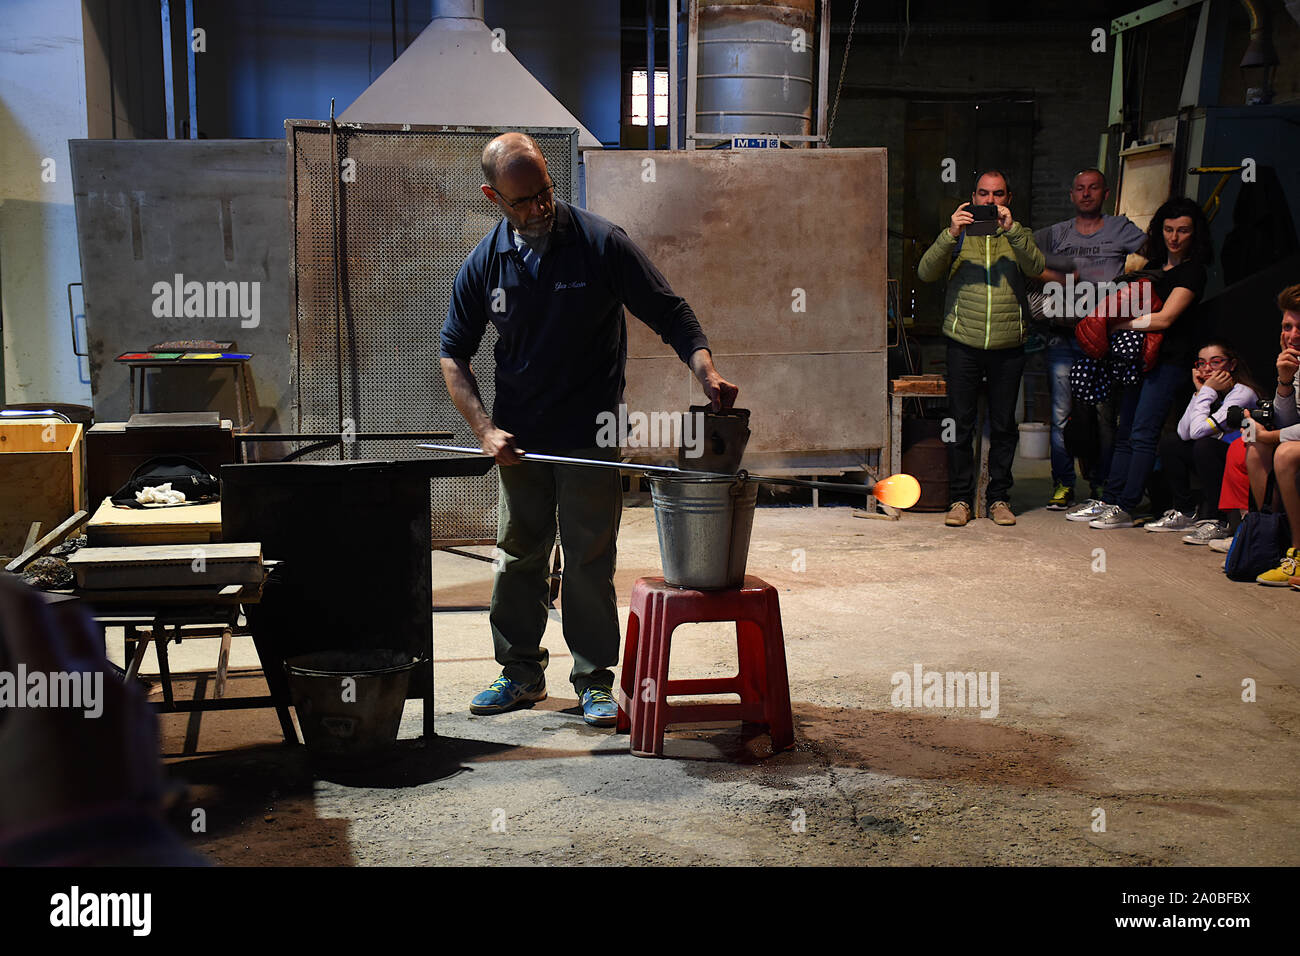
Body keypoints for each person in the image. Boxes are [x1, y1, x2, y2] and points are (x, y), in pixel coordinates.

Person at [440, 133, 738, 726]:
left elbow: (669, 311)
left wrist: (706, 370)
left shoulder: (601, 244)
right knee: (519, 554)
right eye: (523, 200)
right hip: (521, 442)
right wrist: (484, 430)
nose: (540, 207)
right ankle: (519, 673)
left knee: (587, 558)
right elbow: (453, 354)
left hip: (591, 433)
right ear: (493, 196)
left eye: (545, 192)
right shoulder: (485, 262)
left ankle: (594, 680)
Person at [917, 169, 1044, 527]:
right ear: (973, 197)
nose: (991, 201)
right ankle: (960, 500)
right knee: (959, 424)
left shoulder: (1018, 235)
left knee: (1004, 426)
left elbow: (1037, 266)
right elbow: (926, 273)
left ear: (1008, 198)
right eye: (984, 194)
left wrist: (1012, 230)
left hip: (1008, 346)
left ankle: (999, 499)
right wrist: (950, 233)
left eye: (998, 194)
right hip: (964, 344)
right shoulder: (958, 238)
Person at [1077, 196, 1213, 530]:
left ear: (1195, 234)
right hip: (1139, 359)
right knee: (1125, 432)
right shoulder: (1153, 266)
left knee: (1142, 433)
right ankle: (1111, 500)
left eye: (1183, 230)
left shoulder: (1193, 271)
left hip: (1170, 361)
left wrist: (1120, 325)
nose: (1175, 237)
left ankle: (1127, 505)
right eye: (1168, 229)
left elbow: (1165, 319)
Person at [1034, 169, 1147, 511]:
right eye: (1080, 188)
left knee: (1103, 417)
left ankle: (1102, 485)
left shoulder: (1120, 228)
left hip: (1104, 337)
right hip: (1064, 336)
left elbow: (1154, 253)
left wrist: (1128, 283)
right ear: (1072, 195)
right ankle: (1063, 485)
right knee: (1061, 415)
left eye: (1093, 188)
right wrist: (1051, 275)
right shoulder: (1056, 234)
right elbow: (1022, 255)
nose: (1086, 194)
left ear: (1105, 193)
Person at [1146, 340, 1258, 542]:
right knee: (1171, 443)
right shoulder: (1210, 391)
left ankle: (1217, 521)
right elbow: (1184, 433)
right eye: (1201, 363)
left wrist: (1206, 391)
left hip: (1245, 460)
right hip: (1213, 456)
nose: (1207, 369)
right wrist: (1199, 392)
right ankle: (1186, 512)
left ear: (1231, 365)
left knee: (1204, 445)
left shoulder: (1242, 393)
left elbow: (1198, 432)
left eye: (1215, 362)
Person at [1242, 285, 1300, 585]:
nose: (1292, 335)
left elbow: (1287, 434)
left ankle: (1299, 553)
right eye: (1287, 327)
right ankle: (1270, 544)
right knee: (1254, 448)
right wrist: (1285, 382)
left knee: (1285, 451)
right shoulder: (1295, 360)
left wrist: (1271, 436)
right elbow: (1289, 419)